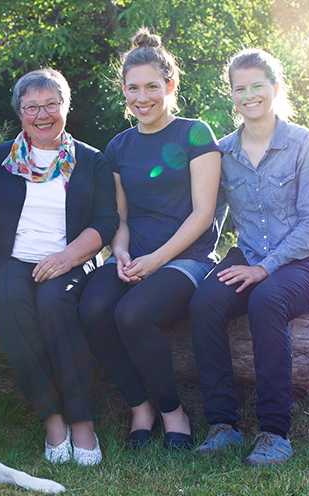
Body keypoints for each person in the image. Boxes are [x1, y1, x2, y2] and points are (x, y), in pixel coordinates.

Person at [0, 68, 117, 465]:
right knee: (9, 305)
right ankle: (53, 418)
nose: (42, 115)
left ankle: (82, 421)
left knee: (56, 307)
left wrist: (67, 257)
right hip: (12, 259)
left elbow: (106, 222)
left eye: (51, 105)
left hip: (69, 259)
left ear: (66, 107)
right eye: (31, 107)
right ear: (19, 112)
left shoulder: (92, 161)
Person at [78, 29, 222, 452]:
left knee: (133, 314)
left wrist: (156, 260)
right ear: (123, 90)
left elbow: (203, 215)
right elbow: (120, 218)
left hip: (185, 260)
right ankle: (139, 406)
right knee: (92, 308)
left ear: (170, 86)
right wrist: (119, 252)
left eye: (152, 87)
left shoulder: (196, 134)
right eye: (133, 89)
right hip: (132, 255)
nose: (143, 98)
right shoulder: (118, 146)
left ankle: (173, 410)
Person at [189, 48, 309, 466]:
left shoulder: (304, 143)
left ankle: (274, 433)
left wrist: (263, 270)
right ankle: (224, 426)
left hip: (303, 260)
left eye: (257, 86)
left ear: (275, 88)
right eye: (239, 88)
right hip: (247, 253)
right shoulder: (223, 152)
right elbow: (207, 216)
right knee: (204, 302)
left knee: (266, 300)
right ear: (231, 94)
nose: (248, 95)